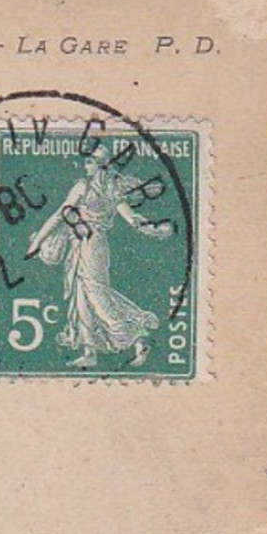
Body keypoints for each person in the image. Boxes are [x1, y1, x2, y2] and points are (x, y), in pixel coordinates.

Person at [26, 142, 175, 369]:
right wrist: (151, 229)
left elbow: (59, 216)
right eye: (86, 161)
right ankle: (89, 351)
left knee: (95, 295)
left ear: (100, 165)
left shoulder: (84, 188)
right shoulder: (111, 189)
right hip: (88, 243)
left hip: (90, 243)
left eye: (89, 162)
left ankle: (136, 338)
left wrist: (37, 242)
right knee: (81, 295)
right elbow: (132, 217)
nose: (85, 166)